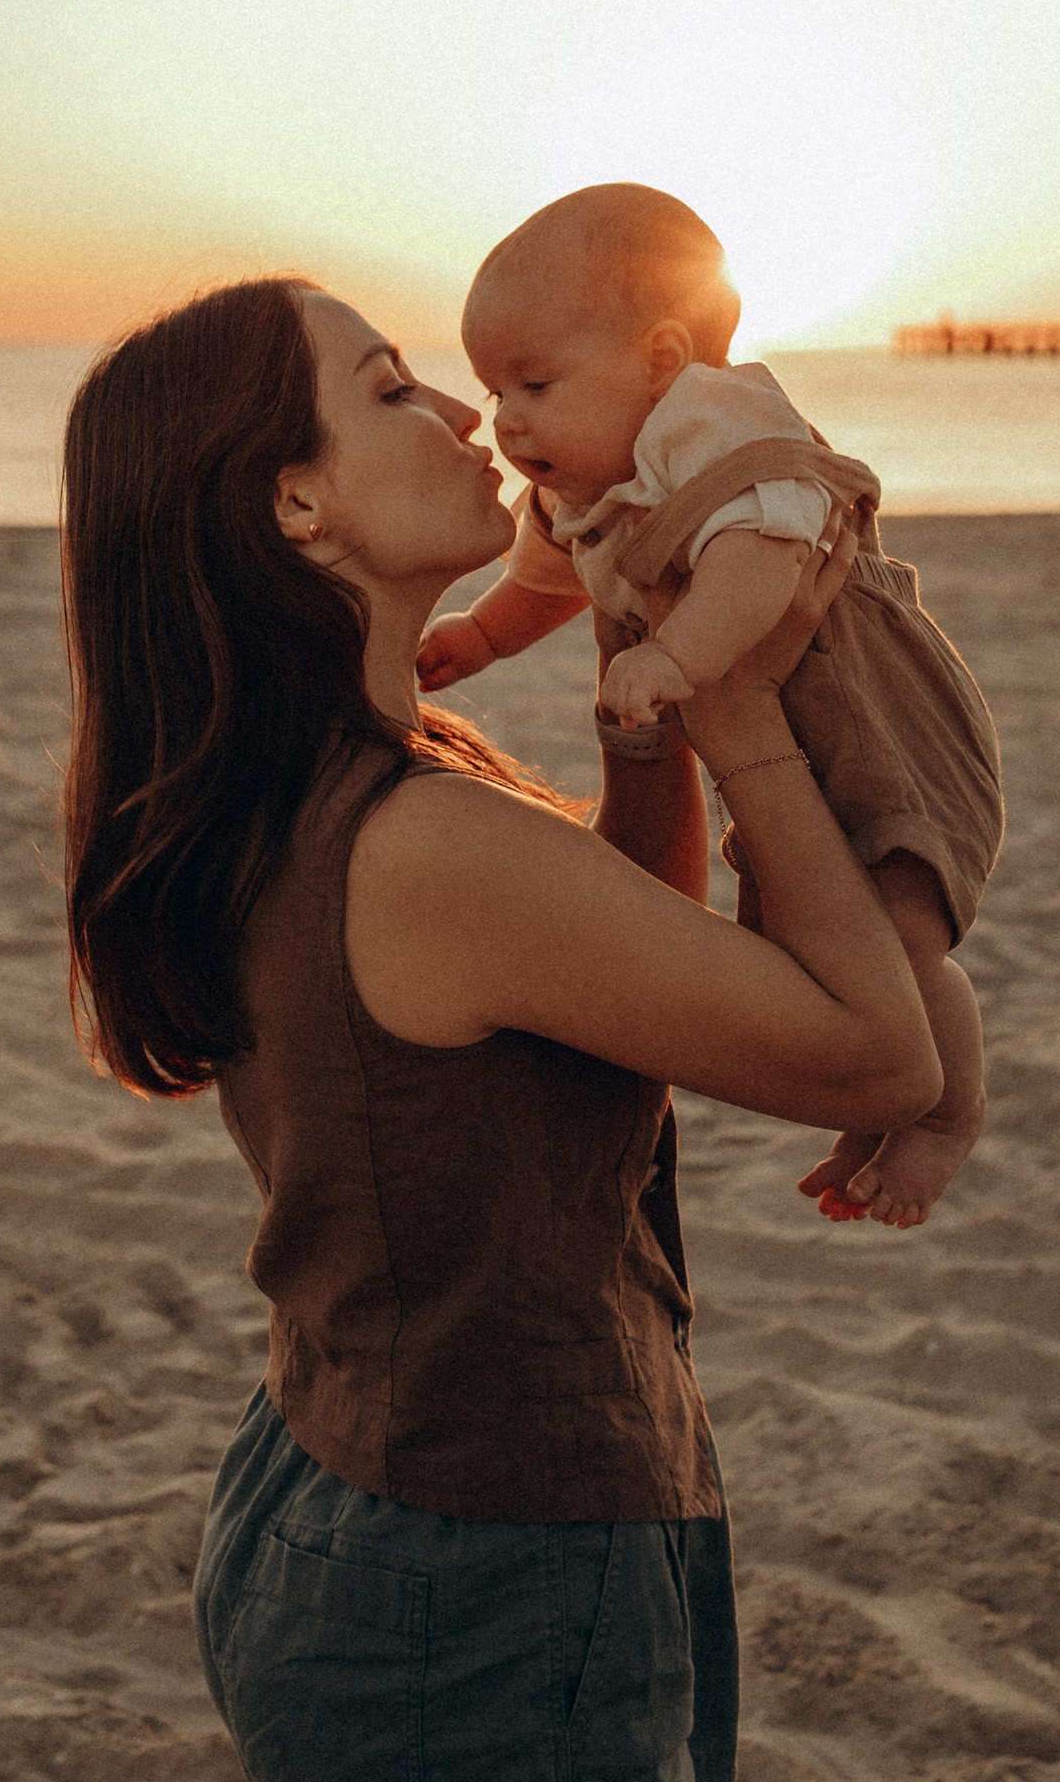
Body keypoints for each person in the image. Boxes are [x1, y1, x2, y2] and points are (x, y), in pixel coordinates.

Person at [61, 273, 938, 1782]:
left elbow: (618, 958)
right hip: (485, 1585)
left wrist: (631, 681)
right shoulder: (415, 845)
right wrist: (738, 706)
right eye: (379, 388)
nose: (450, 405)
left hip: (375, 1527)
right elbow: (869, 1054)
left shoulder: (342, 791)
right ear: (291, 509)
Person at [417, 182, 1003, 1230]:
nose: (506, 420)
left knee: (900, 934)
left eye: (536, 383)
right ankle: (877, 1112)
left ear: (659, 357)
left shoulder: (720, 428)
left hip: (881, 722)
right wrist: (481, 635)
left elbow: (762, 554)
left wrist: (679, 655)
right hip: (785, 736)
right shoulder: (583, 482)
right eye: (495, 389)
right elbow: (545, 580)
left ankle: (945, 1116)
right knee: (812, 948)